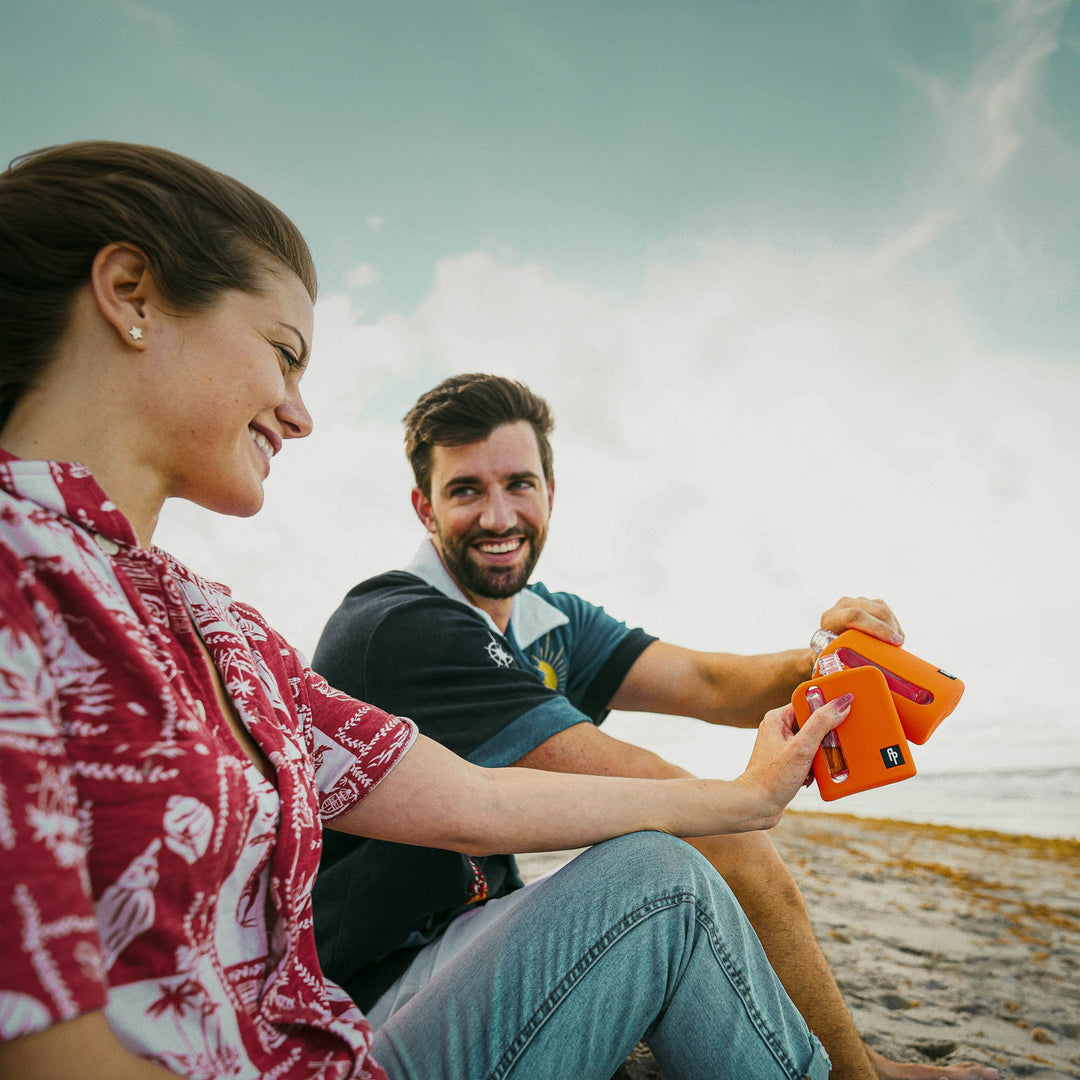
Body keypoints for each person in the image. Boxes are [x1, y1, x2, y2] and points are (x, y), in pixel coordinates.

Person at [0, 141, 848, 1080]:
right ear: (130, 293)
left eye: (521, 484)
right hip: (371, 995)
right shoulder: (20, 579)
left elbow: (475, 799)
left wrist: (756, 787)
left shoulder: (214, 623)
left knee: (662, 879)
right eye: (284, 355)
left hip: (331, 1051)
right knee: (675, 884)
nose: (299, 413)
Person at [312, 373, 999, 1080]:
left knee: (680, 867)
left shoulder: (549, 619)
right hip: (368, 996)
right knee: (696, 848)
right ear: (425, 509)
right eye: (466, 491)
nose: (498, 516)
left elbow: (708, 683)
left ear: (552, 493)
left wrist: (824, 654)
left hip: (458, 939)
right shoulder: (405, 625)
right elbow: (697, 819)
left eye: (519, 484)